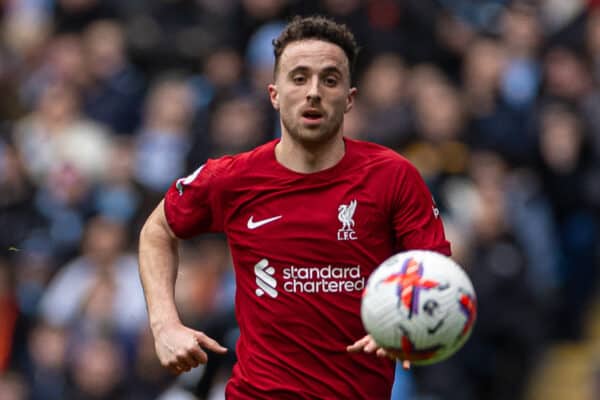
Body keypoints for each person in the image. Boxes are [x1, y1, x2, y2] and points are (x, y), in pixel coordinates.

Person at [138, 15, 451, 399]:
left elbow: (437, 275)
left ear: (350, 98)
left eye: (330, 79)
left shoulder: (393, 177)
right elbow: (157, 231)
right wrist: (164, 324)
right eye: (299, 77)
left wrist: (408, 326)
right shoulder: (233, 178)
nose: (314, 92)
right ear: (274, 93)